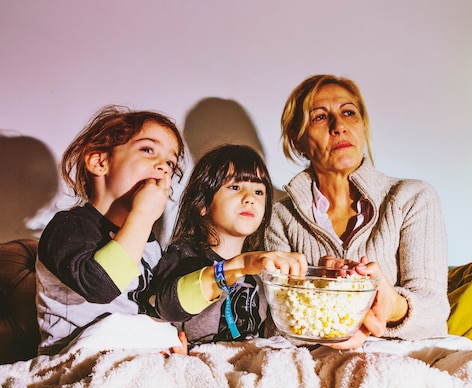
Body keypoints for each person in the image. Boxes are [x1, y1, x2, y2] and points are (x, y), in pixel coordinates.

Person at [264, 74, 450, 350]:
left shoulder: (413, 198)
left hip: (397, 362)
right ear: (298, 141)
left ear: (362, 126)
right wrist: (325, 296)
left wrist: (389, 305)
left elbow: (435, 314)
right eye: (319, 117)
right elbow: (278, 323)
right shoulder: (280, 218)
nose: (338, 126)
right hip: (315, 365)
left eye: (348, 113)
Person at [35, 105, 186, 356]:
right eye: (148, 150)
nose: (163, 167)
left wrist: (168, 342)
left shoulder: (148, 242)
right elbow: (99, 286)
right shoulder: (67, 226)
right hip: (77, 359)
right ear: (100, 161)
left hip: (139, 358)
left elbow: (156, 306)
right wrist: (143, 216)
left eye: (171, 161)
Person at [150, 144, 306, 346]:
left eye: (259, 191)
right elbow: (167, 307)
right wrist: (241, 264)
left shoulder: (262, 271)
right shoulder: (184, 255)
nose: (250, 198)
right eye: (235, 187)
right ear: (203, 205)